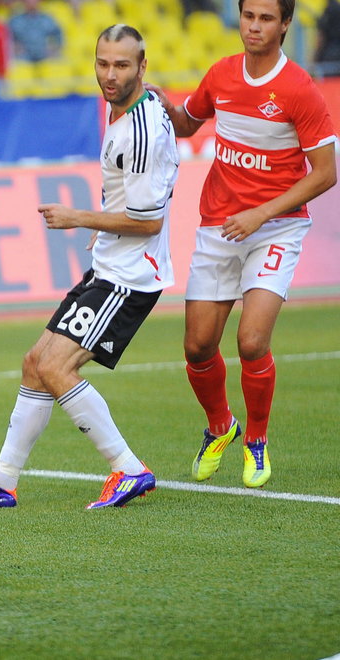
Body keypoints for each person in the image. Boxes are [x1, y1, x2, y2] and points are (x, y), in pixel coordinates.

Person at [0, 24, 179, 510]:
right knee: (35, 363)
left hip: (130, 274)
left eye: (122, 65)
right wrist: (108, 220)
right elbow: (141, 186)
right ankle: (3, 480)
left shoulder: (138, 131)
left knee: (55, 365)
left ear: (143, 65)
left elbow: (149, 220)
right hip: (112, 264)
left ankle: (129, 468)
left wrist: (81, 218)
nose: (110, 74)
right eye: (103, 63)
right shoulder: (129, 103)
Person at [144, 0, 337, 489]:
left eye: (266, 18)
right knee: (197, 346)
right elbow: (188, 124)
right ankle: (219, 427)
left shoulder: (299, 90)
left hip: (276, 226)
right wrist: (161, 101)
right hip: (219, 225)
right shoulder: (222, 75)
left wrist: (262, 213)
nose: (254, 26)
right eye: (249, 16)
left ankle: (255, 439)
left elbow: (326, 174)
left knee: (251, 342)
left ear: (285, 24)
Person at [314, 0, 340, 77]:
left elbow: (321, 37)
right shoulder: (336, 8)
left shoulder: (328, 11)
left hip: (329, 55)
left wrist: (315, 56)